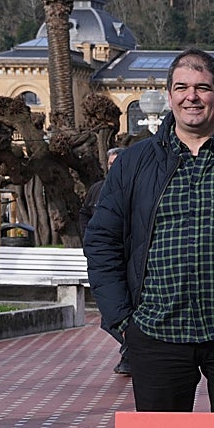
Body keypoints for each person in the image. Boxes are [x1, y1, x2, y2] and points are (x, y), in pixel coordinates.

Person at [85, 48, 214, 412]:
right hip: (155, 333)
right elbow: (102, 240)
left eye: (202, 87)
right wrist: (122, 320)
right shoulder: (135, 163)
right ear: (169, 96)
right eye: (182, 87)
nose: (192, 96)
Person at [79, 147, 130, 376]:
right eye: (110, 164)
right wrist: (90, 241)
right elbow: (84, 215)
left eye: (117, 163)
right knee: (110, 318)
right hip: (107, 263)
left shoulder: (134, 185)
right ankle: (131, 351)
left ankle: (131, 355)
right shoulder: (97, 190)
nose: (113, 168)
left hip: (130, 261)